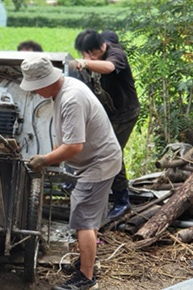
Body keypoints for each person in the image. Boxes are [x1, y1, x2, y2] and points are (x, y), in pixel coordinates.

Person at [20, 55, 122, 290]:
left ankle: (86, 279)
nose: (35, 93)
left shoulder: (71, 98)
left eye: (36, 88)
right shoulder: (64, 89)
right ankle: (86, 262)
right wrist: (52, 157)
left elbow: (74, 146)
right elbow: (66, 137)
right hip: (94, 160)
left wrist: (44, 160)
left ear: (46, 82)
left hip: (98, 163)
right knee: (88, 217)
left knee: (83, 221)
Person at [73, 29, 140, 221]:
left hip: (124, 114)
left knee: (111, 153)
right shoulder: (95, 50)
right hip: (106, 115)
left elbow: (109, 67)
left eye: (92, 54)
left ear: (102, 47)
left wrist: (86, 63)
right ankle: (78, 183)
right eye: (85, 54)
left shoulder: (115, 54)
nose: (89, 57)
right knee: (85, 143)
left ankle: (122, 200)